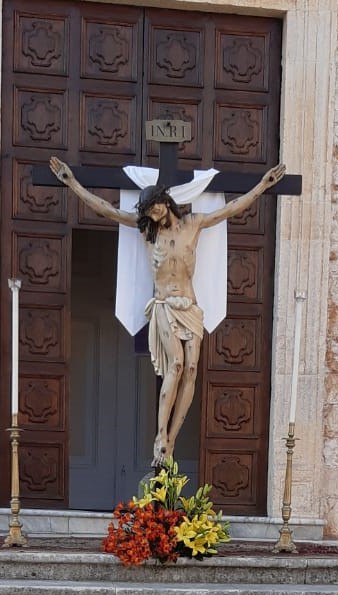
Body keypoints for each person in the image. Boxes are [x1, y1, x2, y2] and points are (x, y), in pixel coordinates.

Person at [49, 156, 286, 465]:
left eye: (156, 207)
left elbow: (232, 208)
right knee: (175, 366)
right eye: (148, 211)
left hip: (190, 306)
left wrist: (263, 186)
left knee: (191, 371)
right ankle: (160, 434)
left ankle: (171, 439)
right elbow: (106, 210)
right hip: (164, 307)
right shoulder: (149, 233)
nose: (154, 213)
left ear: (165, 201)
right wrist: (72, 183)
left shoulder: (194, 224)